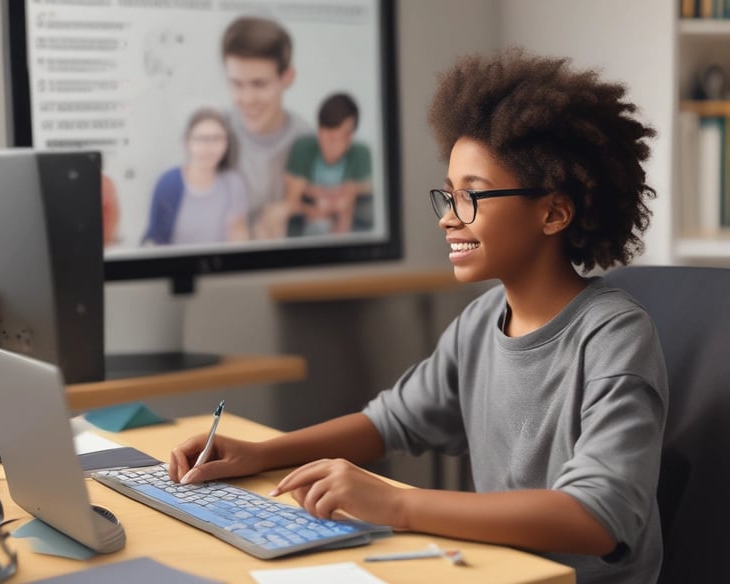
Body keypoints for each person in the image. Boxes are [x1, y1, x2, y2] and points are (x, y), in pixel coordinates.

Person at [170, 49, 668, 583]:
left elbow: (596, 518)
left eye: (472, 196)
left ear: (553, 212)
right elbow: (390, 423)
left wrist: (396, 504)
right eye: (448, 196)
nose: (449, 218)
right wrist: (260, 453)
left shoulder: (615, 336)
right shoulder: (480, 324)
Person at [220, 16, 311, 239]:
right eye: (236, 84)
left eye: (259, 84)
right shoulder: (213, 135)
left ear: (287, 78)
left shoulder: (309, 142)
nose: (247, 99)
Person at [142, 107, 249, 245]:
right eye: (201, 139)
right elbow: (154, 238)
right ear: (187, 142)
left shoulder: (233, 183)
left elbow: (239, 236)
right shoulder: (168, 183)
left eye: (217, 139)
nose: (208, 147)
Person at [284, 92, 372, 236]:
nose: (333, 145)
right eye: (329, 137)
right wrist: (318, 204)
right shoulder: (303, 149)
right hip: (306, 223)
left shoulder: (361, 154)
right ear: (319, 131)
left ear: (351, 136)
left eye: (342, 137)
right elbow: (291, 201)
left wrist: (350, 191)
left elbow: (363, 190)